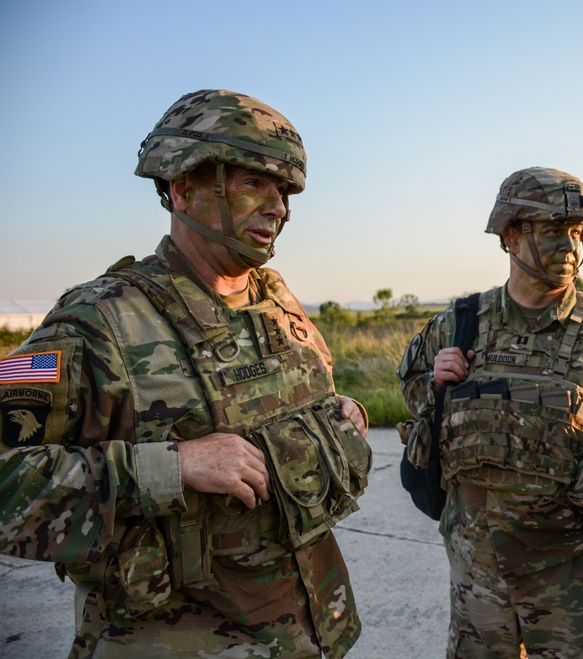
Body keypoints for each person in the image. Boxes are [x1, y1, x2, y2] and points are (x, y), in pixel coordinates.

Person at [0, 89, 372, 658]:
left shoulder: (278, 302)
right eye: (253, 184)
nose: (278, 207)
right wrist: (173, 467)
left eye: (284, 191)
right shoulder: (94, 322)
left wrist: (339, 413)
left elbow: (294, 397)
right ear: (182, 187)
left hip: (310, 633)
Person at [396, 167, 583, 658]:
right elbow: (413, 396)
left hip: (568, 570)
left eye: (577, 233)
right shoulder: (460, 323)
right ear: (510, 235)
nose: (570, 246)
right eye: (553, 231)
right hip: (476, 570)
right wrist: (436, 382)